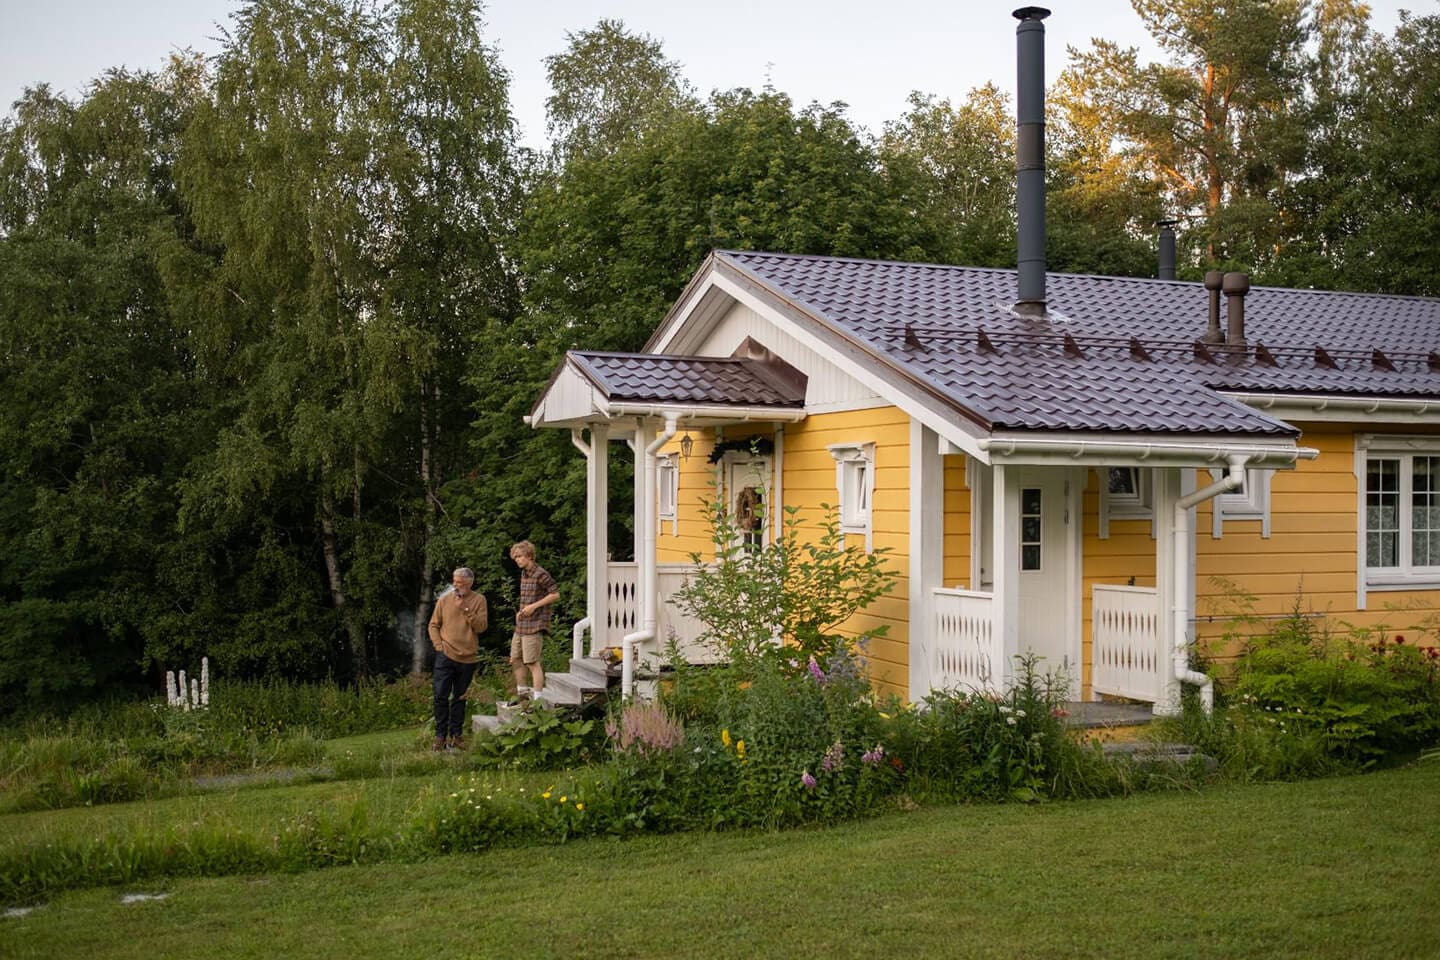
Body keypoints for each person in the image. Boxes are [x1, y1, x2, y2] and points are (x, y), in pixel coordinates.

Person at [427, 566, 488, 751]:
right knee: (440, 696)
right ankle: (440, 736)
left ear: (469, 583)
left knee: (460, 698)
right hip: (445, 655)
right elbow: (433, 625)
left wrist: (466, 609)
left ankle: (457, 736)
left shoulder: (479, 600)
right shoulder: (444, 600)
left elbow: (481, 627)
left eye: (459, 583)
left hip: (468, 657)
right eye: (454, 581)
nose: (455, 585)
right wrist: (439, 646)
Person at [509, 540, 559, 700]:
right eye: (515, 557)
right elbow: (528, 596)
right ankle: (522, 696)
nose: (517, 560)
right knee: (515, 659)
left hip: (535, 623)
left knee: (532, 662)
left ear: (529, 556)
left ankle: (537, 700)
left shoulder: (541, 573)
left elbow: (555, 594)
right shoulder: (524, 573)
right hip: (522, 623)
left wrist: (534, 607)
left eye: (519, 556)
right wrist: (521, 611)